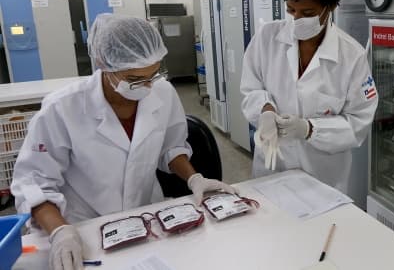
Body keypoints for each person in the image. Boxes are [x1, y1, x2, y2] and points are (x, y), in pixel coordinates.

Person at [11, 14, 235, 270]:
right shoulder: (62, 109)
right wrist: (61, 232)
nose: (146, 87)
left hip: (146, 219)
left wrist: (195, 179)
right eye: (134, 79)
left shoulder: (162, 91)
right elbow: (34, 182)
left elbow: (171, 147)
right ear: (103, 65)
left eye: (154, 74)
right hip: (86, 228)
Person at [240, 0, 378, 193]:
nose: (296, 20)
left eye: (307, 13)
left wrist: (309, 129)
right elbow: (250, 88)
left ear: (331, 7)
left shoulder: (352, 57)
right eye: (291, 10)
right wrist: (265, 110)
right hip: (272, 169)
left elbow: (358, 123)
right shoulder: (266, 38)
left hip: (322, 180)